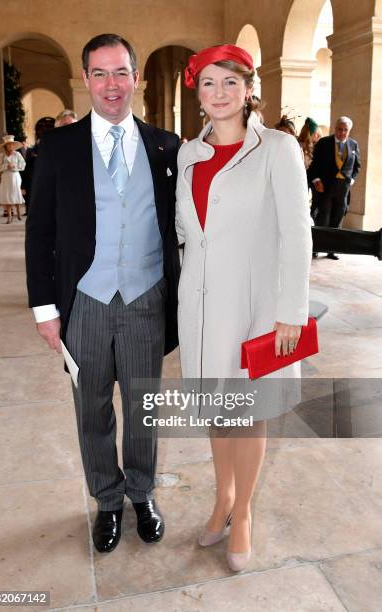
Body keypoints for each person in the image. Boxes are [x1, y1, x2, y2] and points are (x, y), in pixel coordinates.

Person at [25, 34, 180, 554]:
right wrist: (46, 310)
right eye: (100, 74)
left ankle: (142, 493)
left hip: (145, 301)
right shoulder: (57, 148)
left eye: (120, 73)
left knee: (143, 408)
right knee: (91, 408)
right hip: (84, 303)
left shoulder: (166, 147)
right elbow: (40, 233)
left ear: (135, 77)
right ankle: (107, 500)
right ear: (86, 80)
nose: (111, 85)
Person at [176, 45, 312, 572]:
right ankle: (222, 498)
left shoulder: (276, 148)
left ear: (249, 89)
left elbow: (297, 235)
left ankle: (246, 512)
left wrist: (290, 312)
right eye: (208, 83)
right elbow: (187, 234)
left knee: (249, 414)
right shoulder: (188, 155)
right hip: (203, 307)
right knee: (217, 411)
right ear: (198, 93)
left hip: (257, 307)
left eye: (230, 82)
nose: (219, 93)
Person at [308, 116, 361, 259]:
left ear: (349, 131)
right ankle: (317, 247)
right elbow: (314, 166)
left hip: (343, 189)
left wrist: (351, 181)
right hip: (325, 187)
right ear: (335, 128)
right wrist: (316, 180)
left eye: (345, 130)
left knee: (337, 219)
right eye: (339, 129)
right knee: (322, 218)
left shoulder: (353, 145)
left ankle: (332, 249)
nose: (342, 133)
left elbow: (357, 166)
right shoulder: (324, 143)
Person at [22, 117, 56, 216]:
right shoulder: (30, 151)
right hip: (31, 179)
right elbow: (26, 168)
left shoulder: (52, 149)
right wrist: (23, 185)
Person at [0, 135, 26, 223]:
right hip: (5, 178)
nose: (10, 146)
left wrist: (14, 167)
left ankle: (19, 212)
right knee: (7, 197)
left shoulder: (17, 154)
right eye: (8, 145)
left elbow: (23, 165)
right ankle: (9, 216)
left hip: (15, 176)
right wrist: (6, 166)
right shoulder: (1, 155)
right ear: (5, 146)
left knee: (16, 194)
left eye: (11, 144)